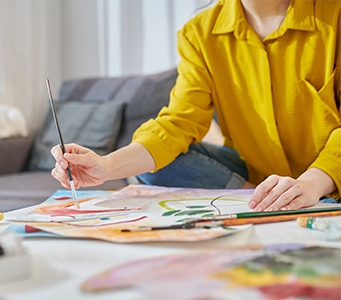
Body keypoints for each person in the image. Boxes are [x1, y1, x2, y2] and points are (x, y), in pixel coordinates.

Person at [51, 0, 341, 212]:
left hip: (329, 177)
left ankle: (296, 200)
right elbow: (178, 123)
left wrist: (312, 185)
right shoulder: (199, 33)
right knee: (156, 163)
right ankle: (261, 199)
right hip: (255, 174)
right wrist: (105, 165)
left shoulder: (335, 15)